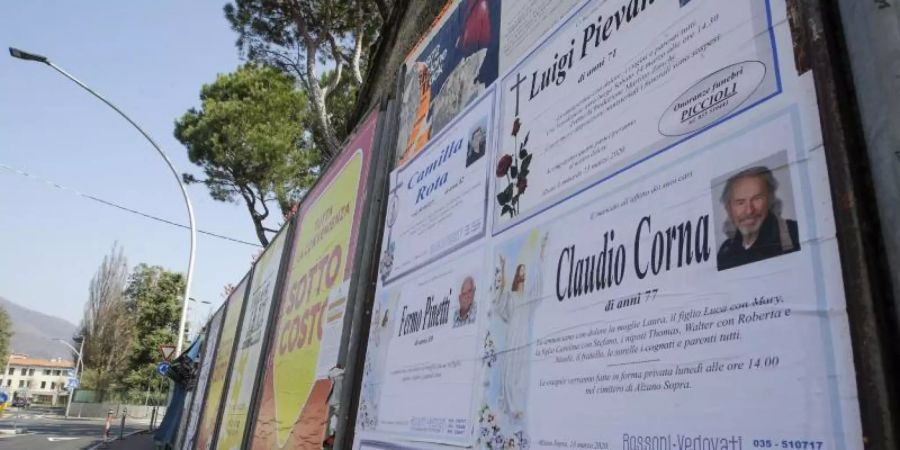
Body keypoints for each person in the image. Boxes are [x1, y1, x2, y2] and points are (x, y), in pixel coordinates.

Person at [717, 166, 800, 271]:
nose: (749, 211)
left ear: (770, 199)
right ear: (729, 209)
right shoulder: (725, 252)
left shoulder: (794, 234)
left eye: (757, 199)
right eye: (740, 202)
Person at [493, 259, 537, 422]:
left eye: (525, 271)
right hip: (513, 334)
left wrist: (541, 254)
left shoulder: (527, 296)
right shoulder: (511, 296)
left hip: (523, 335)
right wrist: (504, 267)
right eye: (522, 271)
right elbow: (501, 293)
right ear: (518, 274)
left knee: (521, 369)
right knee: (511, 368)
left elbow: (538, 288)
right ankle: (511, 404)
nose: (524, 274)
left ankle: (518, 405)